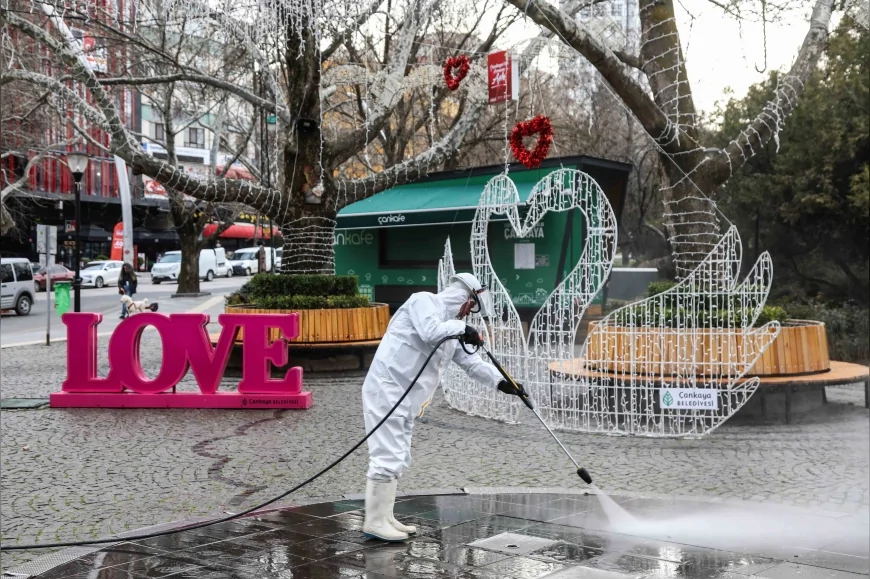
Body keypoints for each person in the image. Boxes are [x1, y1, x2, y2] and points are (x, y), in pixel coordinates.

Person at [361, 273, 528, 542]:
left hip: (406, 399)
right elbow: (429, 332)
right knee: (387, 457)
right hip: (387, 390)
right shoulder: (424, 302)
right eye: (471, 309)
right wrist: (463, 330)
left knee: (398, 457)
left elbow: (472, 365)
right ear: (467, 300)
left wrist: (504, 383)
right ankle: (375, 521)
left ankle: (385, 517)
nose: (468, 315)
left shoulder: (451, 329)